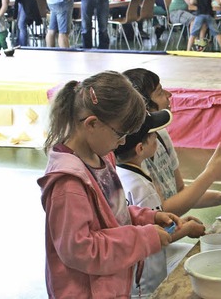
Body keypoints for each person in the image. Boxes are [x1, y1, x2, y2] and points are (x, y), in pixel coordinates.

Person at [37, 71, 181, 297]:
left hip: (110, 285)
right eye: (120, 133)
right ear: (92, 124)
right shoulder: (68, 185)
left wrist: (146, 217)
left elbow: (109, 214)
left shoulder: (102, 157)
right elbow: (81, 251)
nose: (123, 142)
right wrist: (143, 238)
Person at [122, 68, 221, 217]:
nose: (169, 95)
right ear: (143, 106)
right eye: (159, 92)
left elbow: (181, 192)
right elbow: (162, 212)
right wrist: (210, 173)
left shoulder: (161, 135)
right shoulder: (134, 154)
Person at [114, 109, 206, 297]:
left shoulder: (121, 174)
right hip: (146, 279)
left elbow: (144, 225)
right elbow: (159, 237)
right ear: (140, 148)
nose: (157, 136)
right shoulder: (143, 188)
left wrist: (176, 222)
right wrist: (187, 229)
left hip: (132, 272)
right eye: (152, 136)